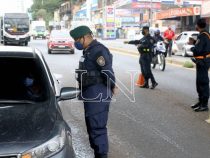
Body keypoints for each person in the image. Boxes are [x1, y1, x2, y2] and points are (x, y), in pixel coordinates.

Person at [70, 26, 116, 158]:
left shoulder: (98, 50)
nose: (76, 43)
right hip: (91, 93)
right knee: (92, 126)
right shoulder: (88, 51)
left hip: (98, 93)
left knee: (97, 127)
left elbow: (107, 71)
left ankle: (101, 155)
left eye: (77, 39)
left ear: (85, 37)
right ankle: (98, 153)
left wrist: (113, 85)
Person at [190, 18, 210, 112]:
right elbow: (203, 47)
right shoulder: (204, 34)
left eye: (196, 25)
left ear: (198, 25)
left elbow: (198, 50)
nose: (195, 26)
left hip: (203, 62)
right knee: (199, 82)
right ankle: (200, 101)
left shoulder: (203, 36)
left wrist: (192, 48)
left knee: (203, 82)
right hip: (202, 61)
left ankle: (204, 104)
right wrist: (194, 43)